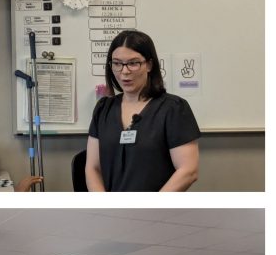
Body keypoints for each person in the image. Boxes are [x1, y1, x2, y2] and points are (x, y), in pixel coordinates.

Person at [86, 29, 200, 193]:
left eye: (133, 63)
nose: (124, 71)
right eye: (117, 63)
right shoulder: (104, 109)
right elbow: (92, 168)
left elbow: (188, 171)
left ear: (149, 65)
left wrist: (148, 209)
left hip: (155, 212)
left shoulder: (173, 109)